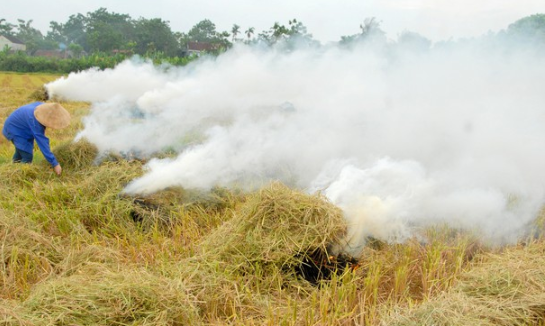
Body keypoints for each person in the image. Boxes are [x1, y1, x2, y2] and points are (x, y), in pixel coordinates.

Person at [2, 102, 70, 175]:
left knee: (20, 151)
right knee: (27, 156)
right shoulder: (35, 122)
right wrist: (55, 164)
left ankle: (12, 168)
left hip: (17, 126)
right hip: (14, 130)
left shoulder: (43, 108)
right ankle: (18, 175)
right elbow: (42, 143)